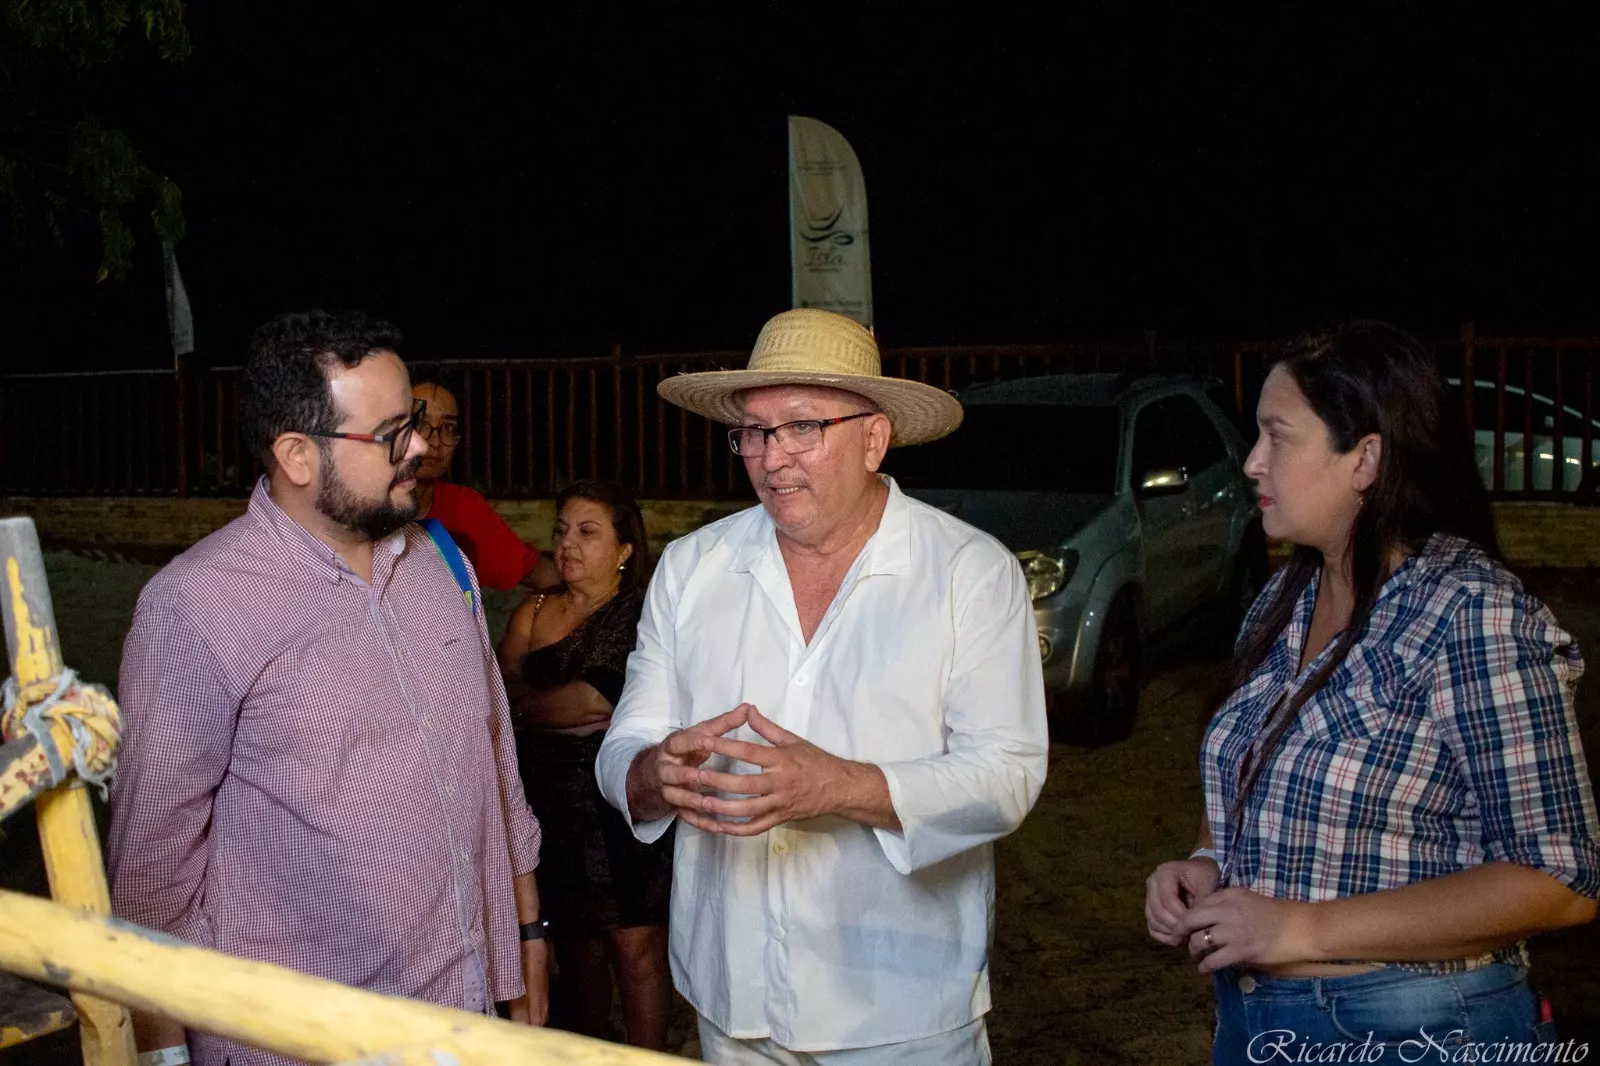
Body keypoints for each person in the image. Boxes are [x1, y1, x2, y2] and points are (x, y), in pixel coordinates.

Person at [595, 308, 1051, 1065]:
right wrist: (653, 773)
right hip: (730, 999)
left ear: (874, 439)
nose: (772, 460)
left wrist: (838, 785)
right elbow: (625, 751)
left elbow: (1007, 776)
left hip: (901, 1012)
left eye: (802, 427)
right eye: (754, 432)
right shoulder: (692, 567)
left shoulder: (968, 573)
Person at [1144, 321, 1600, 1061]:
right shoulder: (1281, 601)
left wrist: (1298, 928)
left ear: (1366, 459)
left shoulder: (1471, 612)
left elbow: (1559, 878)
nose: (1253, 463)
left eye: (1277, 437)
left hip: (1416, 1030)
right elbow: (1264, 765)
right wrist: (1205, 861)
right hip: (1260, 1023)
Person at [109, 310, 549, 1066]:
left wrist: (528, 934)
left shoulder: (441, 569)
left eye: (413, 421)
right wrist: (160, 1056)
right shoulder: (196, 607)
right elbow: (151, 876)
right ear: (297, 456)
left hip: (462, 1017)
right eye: (390, 435)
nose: (418, 448)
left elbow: (496, 764)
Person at [497, 479, 673, 1050]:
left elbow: (595, 701)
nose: (567, 545)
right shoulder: (534, 610)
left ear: (625, 549)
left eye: (588, 532)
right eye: (562, 531)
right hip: (545, 803)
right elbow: (495, 697)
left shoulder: (640, 612)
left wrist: (524, 709)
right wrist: (534, 712)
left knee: (634, 946)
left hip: (618, 802)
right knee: (576, 944)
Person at [411, 379, 560, 591]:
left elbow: (535, 572)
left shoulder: (461, 508)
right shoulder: (365, 508)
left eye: (447, 427)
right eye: (419, 424)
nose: (434, 442)